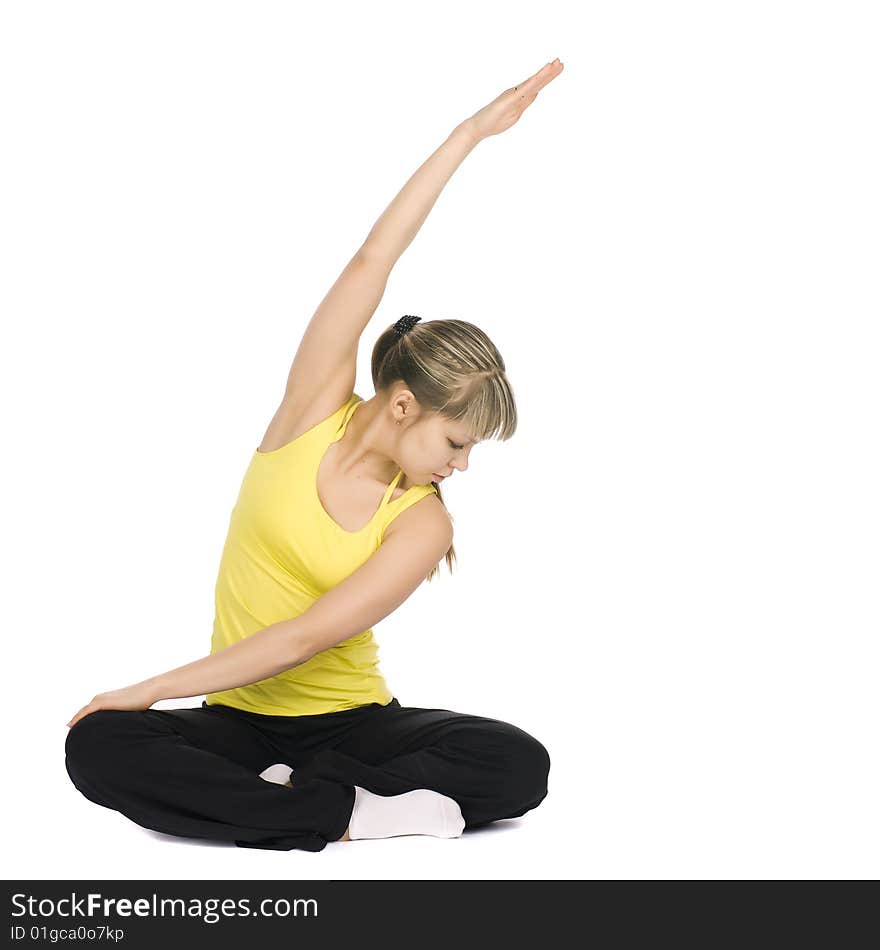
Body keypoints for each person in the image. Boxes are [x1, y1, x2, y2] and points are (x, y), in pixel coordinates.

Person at [64, 58, 564, 852]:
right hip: (237, 723)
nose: (461, 466)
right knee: (95, 748)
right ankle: (353, 813)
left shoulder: (422, 522)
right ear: (404, 405)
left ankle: (296, 803)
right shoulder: (309, 414)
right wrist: (469, 134)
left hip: (353, 729)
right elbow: (372, 261)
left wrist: (152, 687)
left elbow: (303, 640)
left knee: (515, 763)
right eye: (457, 442)